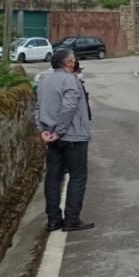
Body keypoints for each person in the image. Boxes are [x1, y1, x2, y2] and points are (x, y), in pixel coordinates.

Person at [35, 47, 95, 232]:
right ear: (68, 63)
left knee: (53, 178)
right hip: (73, 137)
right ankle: (71, 219)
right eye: (74, 59)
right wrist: (60, 131)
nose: (76, 62)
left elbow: (38, 108)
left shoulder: (44, 81)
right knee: (77, 177)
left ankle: (53, 220)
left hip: (51, 137)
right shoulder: (71, 81)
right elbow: (68, 108)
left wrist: (44, 131)